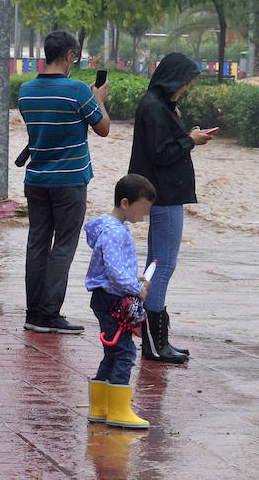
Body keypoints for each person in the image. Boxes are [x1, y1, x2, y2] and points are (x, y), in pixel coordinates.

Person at [17, 31, 110, 334]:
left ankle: (33, 312)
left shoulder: (26, 90)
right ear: (69, 55)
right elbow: (103, 128)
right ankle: (49, 313)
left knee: (37, 243)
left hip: (36, 179)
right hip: (69, 182)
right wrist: (99, 100)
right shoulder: (79, 91)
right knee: (64, 246)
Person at [127, 52, 212, 364]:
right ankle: (154, 342)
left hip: (164, 195)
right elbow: (161, 153)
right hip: (164, 197)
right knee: (162, 267)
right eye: (186, 83)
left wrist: (189, 137)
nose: (186, 89)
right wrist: (190, 140)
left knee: (157, 265)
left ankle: (157, 341)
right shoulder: (154, 107)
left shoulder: (159, 105)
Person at [82, 173, 157, 429]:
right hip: (113, 300)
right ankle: (118, 410)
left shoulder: (110, 227)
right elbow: (114, 273)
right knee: (125, 352)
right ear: (126, 203)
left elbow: (113, 268)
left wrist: (130, 279)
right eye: (143, 208)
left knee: (112, 352)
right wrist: (137, 289)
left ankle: (100, 407)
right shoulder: (115, 233)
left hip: (105, 297)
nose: (145, 215)